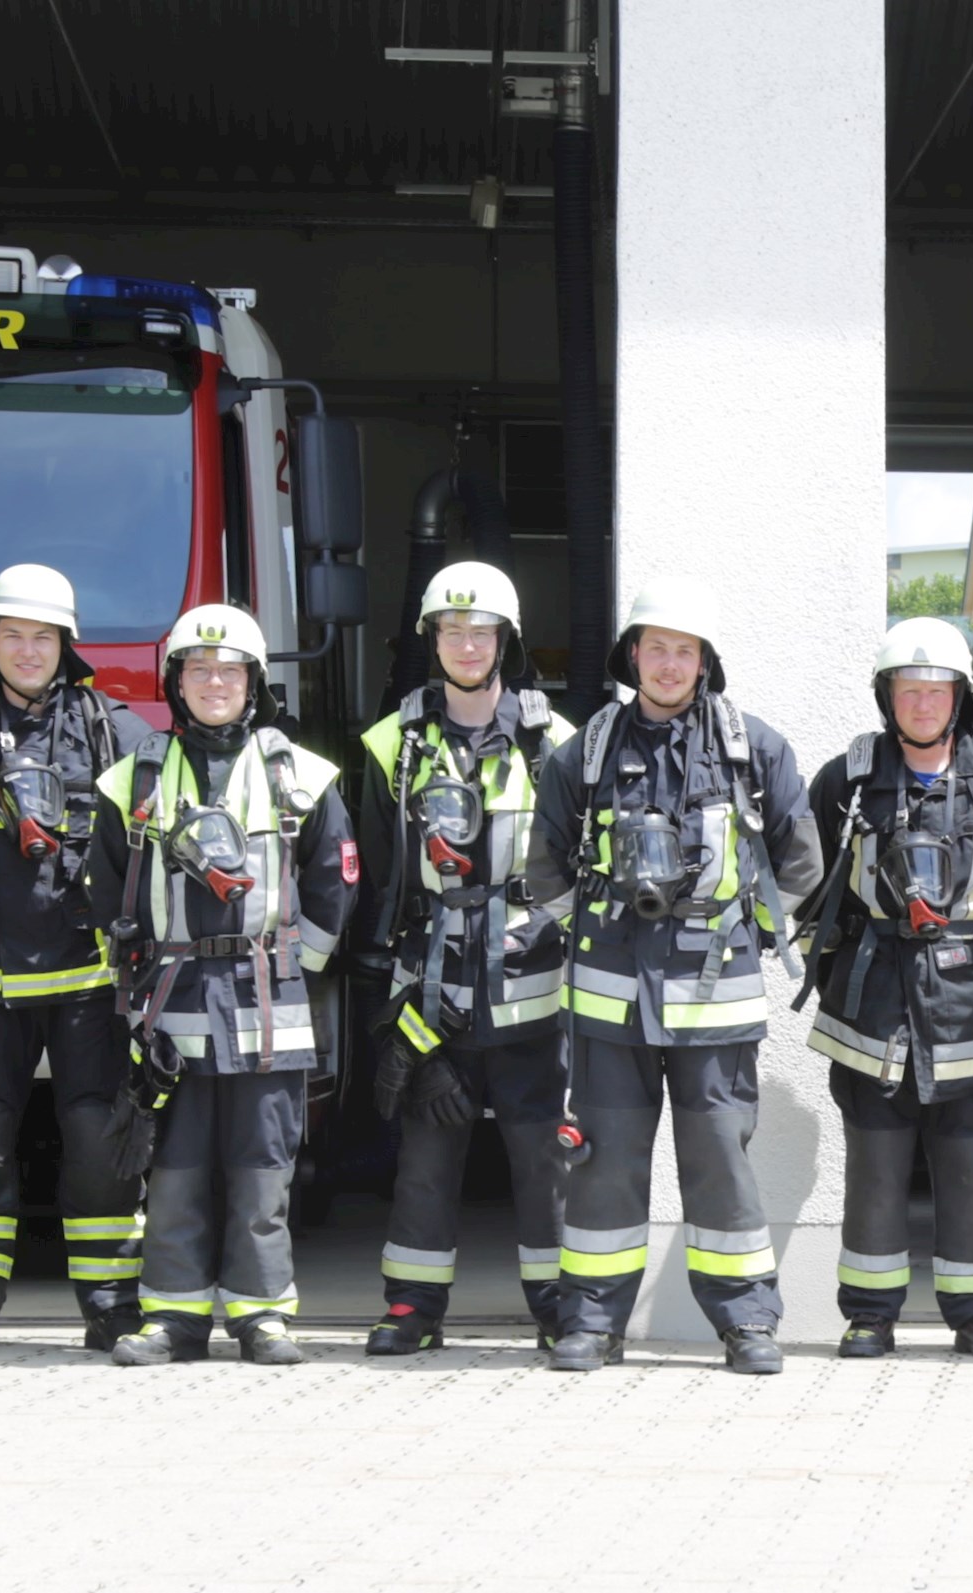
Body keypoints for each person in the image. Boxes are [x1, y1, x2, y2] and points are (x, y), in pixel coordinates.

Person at [533, 576, 822, 1374]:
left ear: (705, 661)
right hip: (607, 1006)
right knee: (602, 1166)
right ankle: (591, 1321)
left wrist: (748, 930)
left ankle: (746, 1323)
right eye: (654, 647)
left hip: (714, 1003)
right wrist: (594, 939)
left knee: (722, 1166)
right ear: (632, 654)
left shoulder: (751, 748)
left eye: (683, 650)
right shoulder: (585, 752)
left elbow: (801, 858)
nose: (667, 663)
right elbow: (545, 869)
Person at [0, 565, 158, 1354]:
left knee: (99, 1144)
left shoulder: (116, 734)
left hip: (89, 983)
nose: (25, 649)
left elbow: (152, 852)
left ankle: (114, 1303)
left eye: (41, 636)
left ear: (65, 645)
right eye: (12, 634)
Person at [95, 605, 353, 1367]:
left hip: (267, 1004)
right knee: (173, 1168)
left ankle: (262, 1316)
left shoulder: (300, 775)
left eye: (230, 670)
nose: (215, 682)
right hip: (171, 1001)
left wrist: (288, 968)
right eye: (199, 670)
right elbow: (104, 891)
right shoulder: (134, 776)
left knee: (261, 1168)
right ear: (175, 682)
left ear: (254, 682)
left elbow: (336, 889)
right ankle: (173, 1318)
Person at [350, 562, 575, 1355]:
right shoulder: (388, 744)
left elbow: (579, 867)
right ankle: (412, 1307)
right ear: (432, 639)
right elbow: (381, 881)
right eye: (452, 629)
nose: (467, 643)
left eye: (482, 631)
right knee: (425, 1154)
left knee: (544, 1155)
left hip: (535, 993)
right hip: (432, 993)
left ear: (505, 641)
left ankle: (558, 1303)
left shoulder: (558, 742)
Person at [796, 618, 973, 1360]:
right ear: (887, 695)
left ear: (959, 695)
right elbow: (812, 888)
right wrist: (834, 966)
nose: (924, 703)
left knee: (968, 1164)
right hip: (872, 1001)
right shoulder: (848, 777)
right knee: (875, 1163)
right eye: (911, 689)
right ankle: (870, 1315)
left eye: (938, 690)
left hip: (966, 1003)